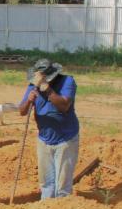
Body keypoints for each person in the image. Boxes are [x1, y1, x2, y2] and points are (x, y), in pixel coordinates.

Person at [18, 59, 80, 199]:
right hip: (44, 140)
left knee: (62, 186)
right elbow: (22, 111)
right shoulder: (33, 86)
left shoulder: (67, 82)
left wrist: (47, 89)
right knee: (46, 184)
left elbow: (64, 106)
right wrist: (29, 100)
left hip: (65, 139)